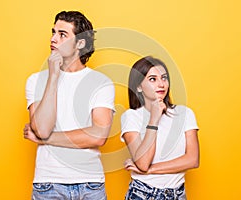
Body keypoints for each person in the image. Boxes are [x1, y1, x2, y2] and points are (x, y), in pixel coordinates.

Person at [23, 11, 115, 200]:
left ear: (80, 43)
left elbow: (98, 136)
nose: (53, 39)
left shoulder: (100, 82)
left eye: (62, 34)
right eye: (53, 32)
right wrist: (54, 77)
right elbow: (41, 128)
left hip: (90, 184)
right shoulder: (36, 81)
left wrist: (46, 139)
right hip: (48, 184)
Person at [121, 56, 199, 200]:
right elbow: (143, 163)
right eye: (152, 79)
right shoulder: (131, 116)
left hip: (178, 194)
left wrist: (151, 170)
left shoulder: (185, 113)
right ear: (138, 86)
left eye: (164, 78)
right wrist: (154, 118)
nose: (161, 84)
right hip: (142, 194)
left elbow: (192, 160)